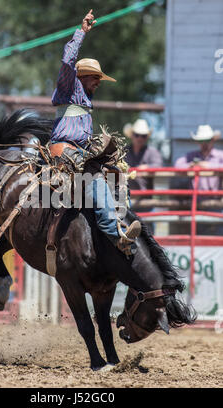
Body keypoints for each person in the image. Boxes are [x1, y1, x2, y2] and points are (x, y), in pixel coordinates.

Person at [50, 10, 141, 251]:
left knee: (117, 175)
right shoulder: (68, 86)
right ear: (82, 76)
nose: (99, 82)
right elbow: (68, 59)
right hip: (64, 151)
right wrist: (82, 32)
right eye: (96, 78)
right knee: (96, 178)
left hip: (80, 152)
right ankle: (114, 234)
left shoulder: (85, 99)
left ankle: (124, 222)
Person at [175, 124, 223, 235]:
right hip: (198, 202)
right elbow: (178, 165)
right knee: (201, 233)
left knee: (218, 233)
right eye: (202, 141)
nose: (204, 144)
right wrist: (191, 165)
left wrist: (207, 165)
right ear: (198, 142)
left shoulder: (220, 155)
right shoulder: (193, 156)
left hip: (216, 202)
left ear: (212, 140)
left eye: (207, 140)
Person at [124, 119, 163, 191]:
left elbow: (159, 166)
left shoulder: (152, 152)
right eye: (137, 135)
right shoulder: (123, 151)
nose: (140, 138)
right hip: (124, 194)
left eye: (143, 136)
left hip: (144, 196)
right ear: (132, 135)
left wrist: (147, 167)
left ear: (146, 138)